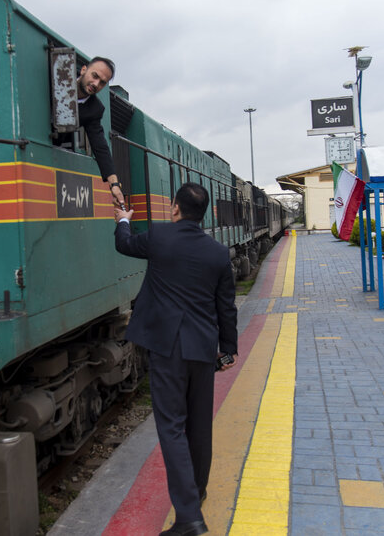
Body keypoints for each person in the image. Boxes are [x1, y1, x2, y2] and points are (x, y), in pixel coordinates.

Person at [113, 182, 238, 536]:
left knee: (171, 427)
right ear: (205, 214)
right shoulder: (217, 252)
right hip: (202, 348)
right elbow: (225, 307)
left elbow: (123, 243)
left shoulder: (159, 237)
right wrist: (229, 348)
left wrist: (123, 219)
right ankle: (196, 492)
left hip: (167, 348)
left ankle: (189, 518)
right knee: (199, 425)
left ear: (174, 208)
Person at [75, 56, 126, 209]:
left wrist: (114, 185)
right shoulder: (57, 79)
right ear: (83, 70)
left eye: (102, 82)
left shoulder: (95, 110)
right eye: (95, 76)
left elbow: (100, 146)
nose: (96, 84)